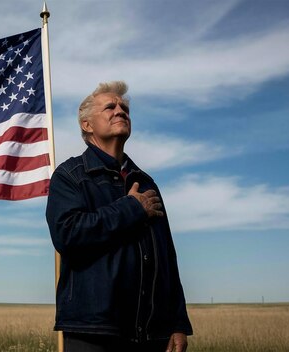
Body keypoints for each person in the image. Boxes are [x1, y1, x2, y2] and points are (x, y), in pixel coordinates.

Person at [46, 81, 193, 352]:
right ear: (87, 125)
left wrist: (178, 322)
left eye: (124, 107)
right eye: (110, 107)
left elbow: (167, 258)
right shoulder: (71, 176)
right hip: (94, 331)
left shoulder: (146, 182)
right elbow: (67, 234)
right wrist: (132, 209)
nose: (120, 111)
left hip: (151, 332)